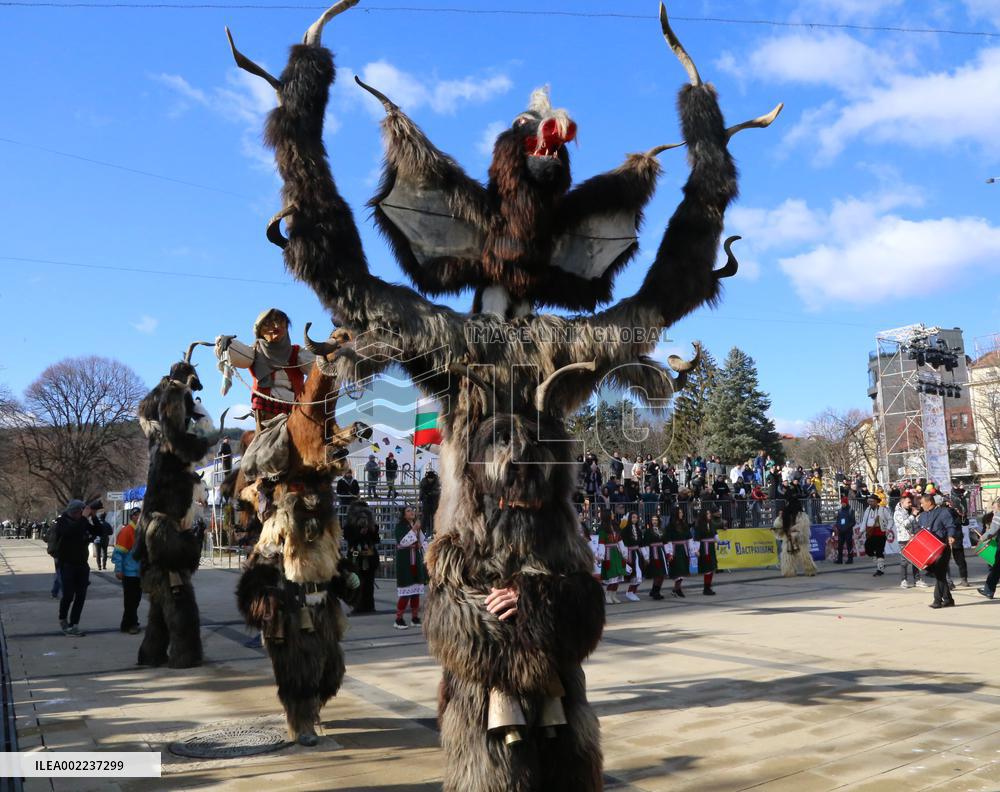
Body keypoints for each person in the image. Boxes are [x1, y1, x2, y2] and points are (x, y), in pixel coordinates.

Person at [216, 308, 315, 428]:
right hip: (266, 406)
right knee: (266, 443)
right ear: (259, 330)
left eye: (280, 322)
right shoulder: (255, 352)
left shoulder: (298, 353)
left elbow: (318, 367)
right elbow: (239, 354)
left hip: (296, 406)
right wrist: (225, 344)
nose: (276, 326)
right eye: (268, 324)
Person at [52, 499, 98, 636]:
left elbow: (101, 531)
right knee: (68, 595)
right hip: (67, 565)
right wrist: (84, 518)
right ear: (75, 512)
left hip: (82, 565)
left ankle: (74, 624)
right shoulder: (62, 522)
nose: (82, 515)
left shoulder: (83, 522)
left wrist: (94, 517)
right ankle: (63, 618)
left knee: (81, 596)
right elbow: (70, 532)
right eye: (80, 512)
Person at [917, 492, 958, 609]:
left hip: (942, 548)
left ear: (929, 502)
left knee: (940, 574)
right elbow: (921, 530)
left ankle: (937, 600)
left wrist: (951, 536)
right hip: (929, 550)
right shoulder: (923, 515)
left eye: (923, 503)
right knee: (940, 575)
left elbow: (951, 526)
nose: (921, 505)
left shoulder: (943, 512)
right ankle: (949, 599)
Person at [394, 506, 427, 628]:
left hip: (415, 560)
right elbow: (403, 541)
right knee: (406, 591)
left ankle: (414, 617)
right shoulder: (400, 527)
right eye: (408, 511)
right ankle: (399, 619)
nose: (412, 512)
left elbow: (423, 542)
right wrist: (414, 529)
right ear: (403, 514)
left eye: (412, 510)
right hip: (405, 560)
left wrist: (427, 550)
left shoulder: (416, 526)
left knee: (416, 591)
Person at [112, 507, 143, 633]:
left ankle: (128, 623)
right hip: (129, 572)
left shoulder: (141, 531)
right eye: (136, 515)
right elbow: (118, 553)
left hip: (138, 572)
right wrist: (119, 569)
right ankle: (131, 625)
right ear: (132, 517)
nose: (139, 517)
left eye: (140, 515)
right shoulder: (127, 531)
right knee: (131, 600)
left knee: (135, 600)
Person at [772, 497, 817, 577]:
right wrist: (779, 521)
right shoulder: (785, 515)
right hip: (788, 539)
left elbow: (803, 526)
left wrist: (793, 530)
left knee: (804, 555)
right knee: (787, 557)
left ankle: (810, 570)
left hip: (799, 540)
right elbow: (779, 526)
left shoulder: (801, 515)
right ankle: (789, 572)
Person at [894, 493, 924, 589]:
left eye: (911, 502)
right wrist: (913, 515)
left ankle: (917, 580)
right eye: (908, 502)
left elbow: (914, 523)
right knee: (904, 561)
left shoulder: (909, 511)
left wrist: (916, 517)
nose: (910, 504)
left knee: (916, 560)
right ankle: (904, 580)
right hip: (903, 539)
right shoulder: (897, 512)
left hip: (913, 538)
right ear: (902, 502)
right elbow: (905, 524)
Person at [861, 493, 890, 577]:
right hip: (870, 532)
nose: (870, 503)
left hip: (880, 533)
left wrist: (888, 528)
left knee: (879, 551)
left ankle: (880, 569)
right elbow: (864, 521)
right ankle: (879, 563)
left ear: (877, 502)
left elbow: (890, 520)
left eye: (872, 501)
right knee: (867, 549)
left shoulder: (883, 510)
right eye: (869, 501)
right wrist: (861, 531)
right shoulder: (867, 510)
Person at [663, 504, 690, 597]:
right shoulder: (670, 526)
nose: (682, 514)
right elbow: (667, 540)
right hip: (675, 549)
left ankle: (676, 589)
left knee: (683, 570)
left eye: (682, 512)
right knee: (678, 570)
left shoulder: (684, 524)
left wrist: (692, 548)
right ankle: (677, 589)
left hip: (683, 549)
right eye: (680, 512)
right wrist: (669, 553)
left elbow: (689, 537)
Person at [976, 498, 1000, 599]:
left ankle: (988, 590)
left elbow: (993, 529)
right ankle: (988, 590)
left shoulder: (998, 515)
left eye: (994, 507)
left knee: (996, 568)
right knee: (996, 568)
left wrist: (983, 537)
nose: (993, 509)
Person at [694, 506, 721, 595]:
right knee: (707, 568)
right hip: (704, 548)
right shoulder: (699, 525)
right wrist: (696, 550)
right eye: (708, 514)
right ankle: (706, 588)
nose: (709, 515)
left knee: (712, 567)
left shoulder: (711, 523)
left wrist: (718, 540)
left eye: (709, 513)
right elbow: (697, 538)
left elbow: (715, 534)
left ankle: (708, 586)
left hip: (711, 547)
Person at [641, 514, 668, 600]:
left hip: (661, 552)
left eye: (656, 520)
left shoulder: (662, 530)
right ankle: (656, 592)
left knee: (662, 574)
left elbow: (665, 542)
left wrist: (668, 553)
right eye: (653, 520)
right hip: (653, 553)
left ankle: (654, 590)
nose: (654, 521)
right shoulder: (648, 532)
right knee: (657, 573)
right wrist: (646, 556)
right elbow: (645, 544)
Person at [620, 512, 644, 602]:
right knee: (634, 574)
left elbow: (641, 542)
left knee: (640, 575)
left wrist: (644, 554)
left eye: (636, 517)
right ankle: (630, 592)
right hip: (630, 553)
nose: (635, 519)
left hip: (637, 552)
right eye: (633, 517)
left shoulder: (638, 529)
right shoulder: (625, 530)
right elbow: (624, 543)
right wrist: (625, 555)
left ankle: (633, 592)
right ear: (630, 518)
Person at [833, 497, 856, 564]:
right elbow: (838, 520)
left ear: (846, 503)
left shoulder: (851, 510)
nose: (843, 504)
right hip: (841, 531)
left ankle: (850, 559)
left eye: (844, 503)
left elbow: (853, 522)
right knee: (840, 546)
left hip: (848, 531)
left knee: (849, 545)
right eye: (842, 503)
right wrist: (838, 527)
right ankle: (839, 559)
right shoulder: (840, 511)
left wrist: (847, 527)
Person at [418, 467, 441, 533]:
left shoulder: (437, 481)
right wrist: (421, 497)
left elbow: (438, 490)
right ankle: (423, 531)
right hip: (426, 500)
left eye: (431, 479)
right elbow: (421, 490)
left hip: (434, 500)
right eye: (429, 479)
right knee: (425, 516)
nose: (430, 480)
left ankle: (435, 530)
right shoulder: (423, 481)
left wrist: (431, 493)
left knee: (435, 516)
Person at [91, 507, 113, 571]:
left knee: (98, 553)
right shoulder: (107, 524)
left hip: (97, 540)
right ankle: (104, 565)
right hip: (105, 539)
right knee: (105, 552)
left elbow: (92, 532)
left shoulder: (96, 524)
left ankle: (99, 566)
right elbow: (111, 532)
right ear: (104, 518)